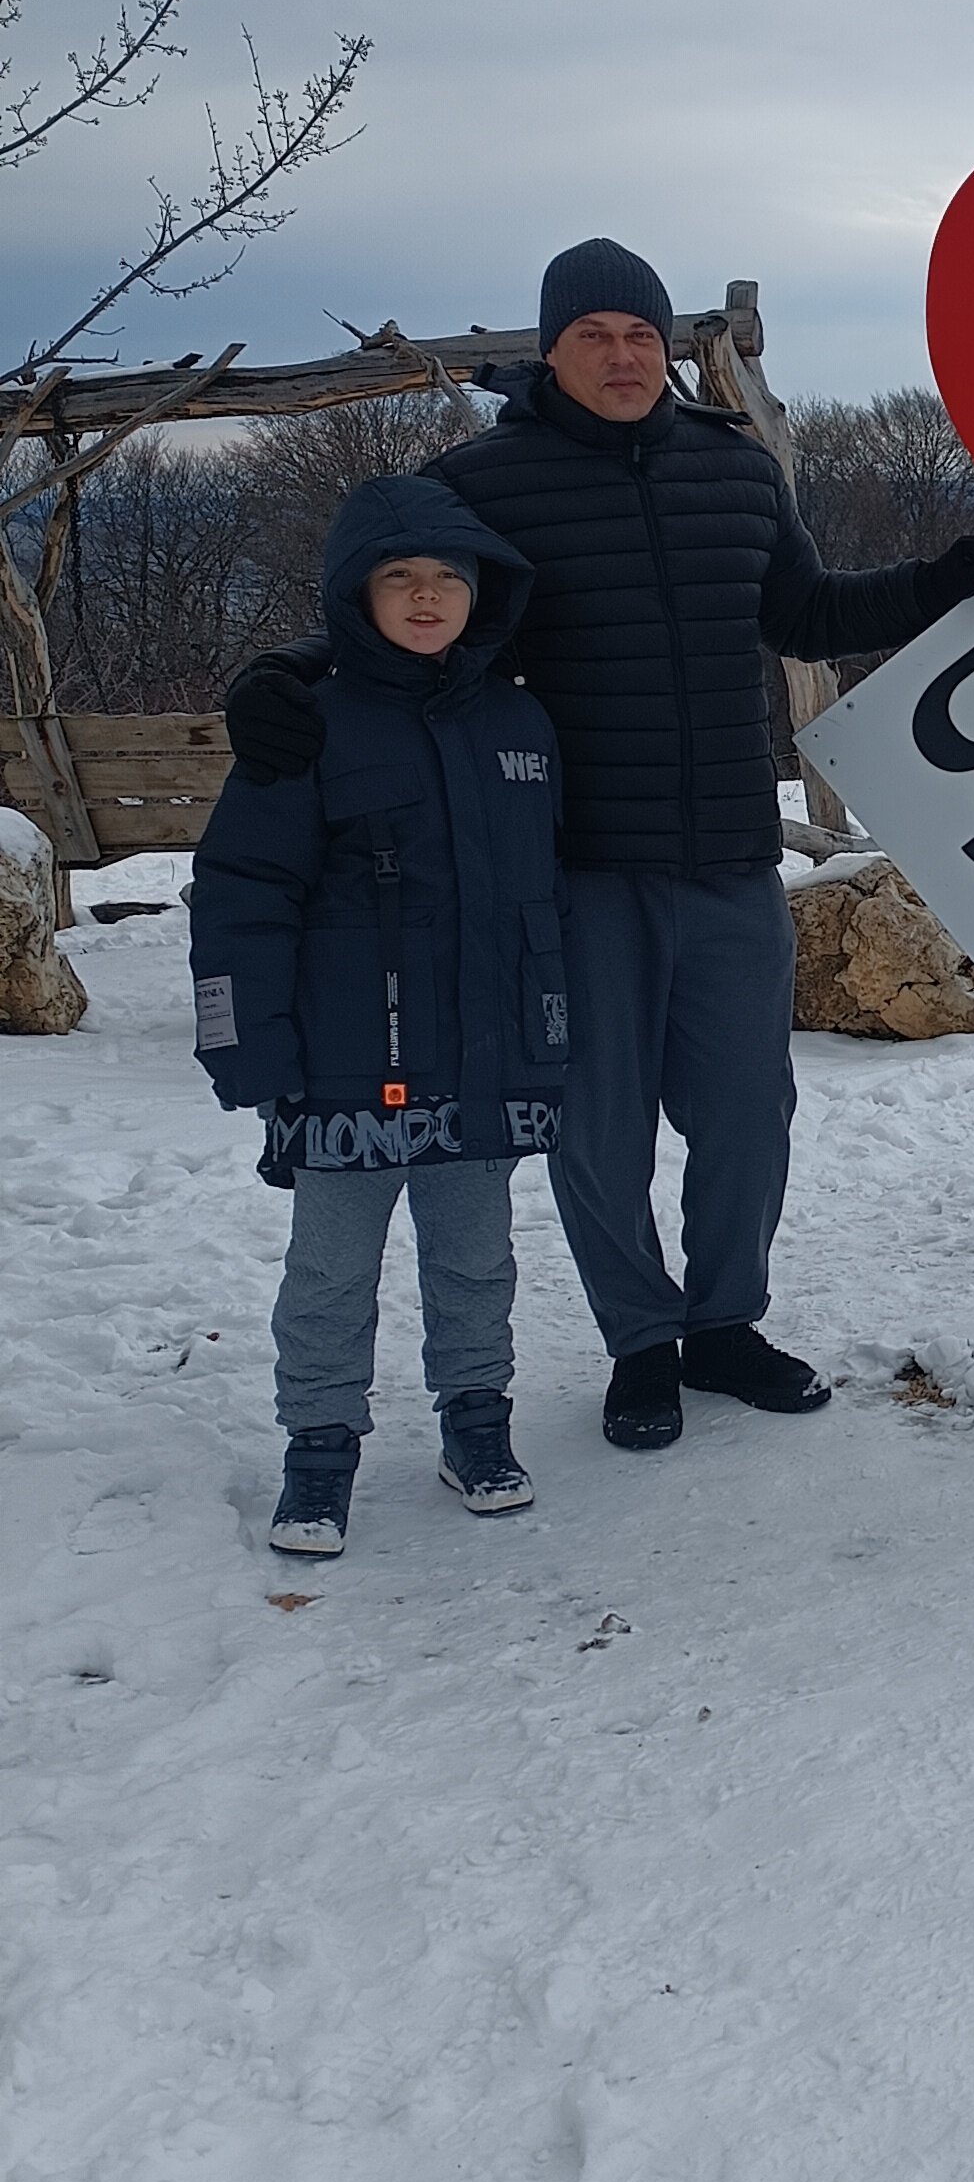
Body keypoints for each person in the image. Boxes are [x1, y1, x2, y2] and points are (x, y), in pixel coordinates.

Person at [224, 240, 974, 1451]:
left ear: (670, 347)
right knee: (600, 1127)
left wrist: (936, 579)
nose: (621, 355)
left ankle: (724, 1324)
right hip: (576, 871)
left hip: (727, 860)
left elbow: (805, 613)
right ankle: (640, 1342)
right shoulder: (483, 481)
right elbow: (404, 610)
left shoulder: (738, 471)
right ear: (549, 349)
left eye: (641, 335)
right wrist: (285, 670)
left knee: (749, 1112)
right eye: (593, 334)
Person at [191, 478, 571, 1557]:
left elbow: (548, 893)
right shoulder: (305, 725)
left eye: (448, 577)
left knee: (474, 1256)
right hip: (345, 1068)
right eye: (399, 576)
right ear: (356, 593)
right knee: (328, 1267)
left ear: (481, 593)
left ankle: (475, 1422)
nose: (424, 596)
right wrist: (247, 1046)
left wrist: (553, 1034)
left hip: (486, 1062)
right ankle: (319, 1448)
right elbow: (241, 892)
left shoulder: (521, 720)